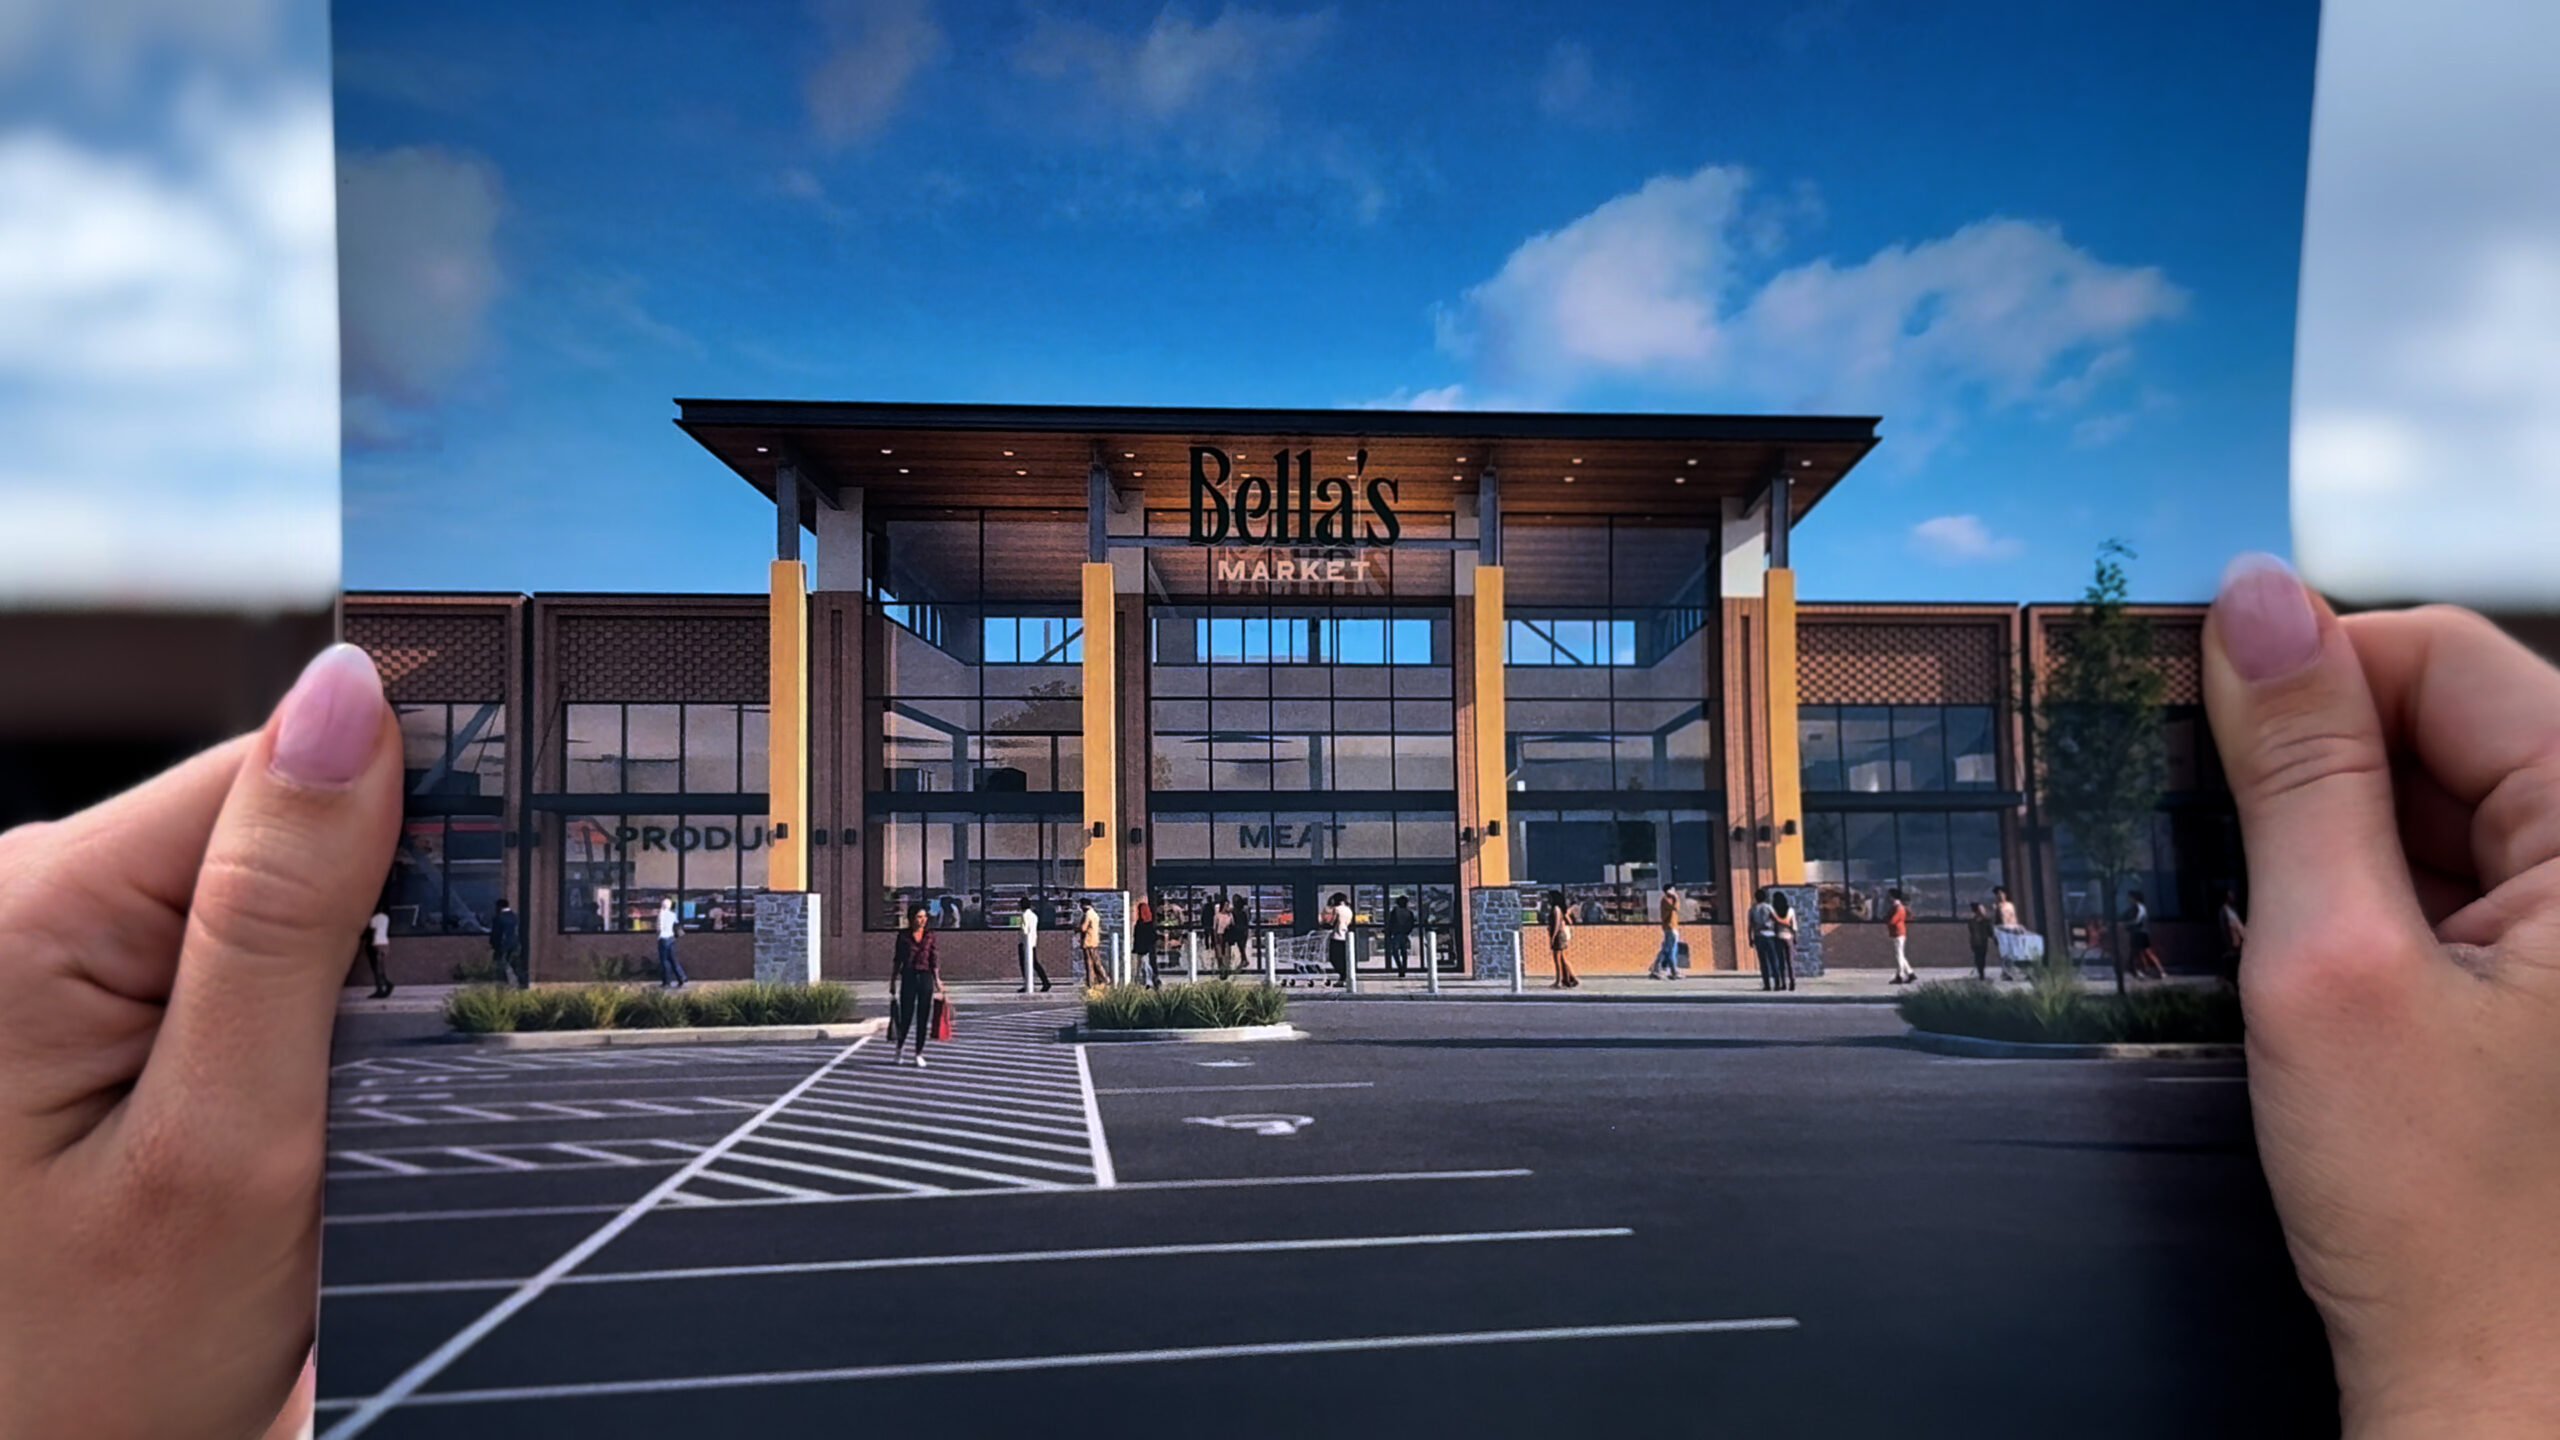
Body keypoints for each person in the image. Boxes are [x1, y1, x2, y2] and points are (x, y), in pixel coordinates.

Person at [889, 904, 940, 1068]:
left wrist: (938, 980)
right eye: (919, 917)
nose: (922, 920)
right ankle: (900, 1048)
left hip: (925, 977)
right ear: (912, 918)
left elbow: (933, 958)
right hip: (909, 976)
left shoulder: (930, 935)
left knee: (923, 1017)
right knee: (906, 1015)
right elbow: (898, 959)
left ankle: (919, 1052)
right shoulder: (903, 936)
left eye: (924, 917)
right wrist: (892, 981)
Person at [2124, 889, 2166, 980]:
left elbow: (2138, 920)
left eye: (2130, 897)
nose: (2128, 899)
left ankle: (2160, 971)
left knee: (2146, 952)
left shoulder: (2140, 907)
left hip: (2141, 932)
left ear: (2134, 898)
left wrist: (2128, 924)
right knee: (2138, 953)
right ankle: (2144, 970)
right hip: (2135, 933)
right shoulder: (2132, 908)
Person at [1544, 889, 1580, 989]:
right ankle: (1571, 978)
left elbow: (1556, 924)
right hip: (1560, 934)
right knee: (1563, 958)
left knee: (1557, 959)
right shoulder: (1558, 909)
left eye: (1550, 897)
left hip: (1558, 935)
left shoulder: (1556, 909)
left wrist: (1553, 936)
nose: (1548, 900)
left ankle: (1559, 981)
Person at [1748, 887, 1781, 991]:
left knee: (1763, 962)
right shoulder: (1768, 907)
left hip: (1758, 936)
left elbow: (1750, 925)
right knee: (1773, 960)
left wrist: (1750, 938)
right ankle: (1777, 984)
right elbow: (1776, 919)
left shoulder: (1753, 909)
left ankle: (1766, 984)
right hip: (1770, 935)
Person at [1018, 896, 1052, 992]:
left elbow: (1024, 930)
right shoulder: (1034, 916)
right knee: (1035, 963)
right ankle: (1045, 981)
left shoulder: (1024, 915)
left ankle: (1028, 983)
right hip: (1033, 941)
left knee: (1024, 964)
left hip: (1024, 942)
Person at [490, 896, 525, 988]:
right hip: (515, 944)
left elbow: (496, 934)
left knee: (500, 966)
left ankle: (503, 986)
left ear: (499, 907)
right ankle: (523, 983)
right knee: (516, 965)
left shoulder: (498, 918)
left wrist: (494, 945)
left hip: (503, 945)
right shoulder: (514, 917)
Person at [1649, 886, 1682, 979]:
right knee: (1671, 949)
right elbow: (1676, 908)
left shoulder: (1669, 900)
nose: (1674, 891)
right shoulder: (1666, 900)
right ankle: (1672, 970)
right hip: (1670, 927)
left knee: (1668, 948)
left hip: (1673, 926)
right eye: (1672, 889)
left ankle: (1658, 968)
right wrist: (1676, 897)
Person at [1768, 889, 1798, 991]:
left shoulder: (1773, 912)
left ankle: (1783, 983)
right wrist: (1795, 937)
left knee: (1781, 962)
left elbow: (1773, 926)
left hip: (1778, 937)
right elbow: (1793, 925)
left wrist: (1777, 921)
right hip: (1789, 936)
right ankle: (1792, 981)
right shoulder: (1790, 910)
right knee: (1790, 961)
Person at [2217, 886, 2247, 987]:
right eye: (2230, 894)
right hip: (2233, 944)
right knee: (2233, 968)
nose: (2233, 896)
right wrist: (2229, 944)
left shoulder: (2232, 910)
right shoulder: (2224, 911)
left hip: (2239, 943)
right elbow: (2226, 929)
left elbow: (2238, 925)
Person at [654, 897, 687, 987]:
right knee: (673, 959)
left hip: (663, 938)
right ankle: (681, 977)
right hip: (671, 938)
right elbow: (676, 924)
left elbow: (659, 928)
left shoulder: (661, 914)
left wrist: (658, 932)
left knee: (664, 960)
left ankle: (666, 981)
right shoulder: (672, 914)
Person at [1886, 887, 1915, 984]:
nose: (1888, 898)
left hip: (1898, 933)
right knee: (1901, 954)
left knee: (1899, 955)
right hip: (1897, 932)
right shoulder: (1896, 907)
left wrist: (1887, 920)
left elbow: (1893, 920)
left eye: (1889, 896)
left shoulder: (1899, 908)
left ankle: (1900, 975)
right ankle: (1910, 973)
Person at [362, 905, 392, 998]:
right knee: (382, 966)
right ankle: (386, 984)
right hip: (385, 943)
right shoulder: (386, 917)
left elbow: (369, 929)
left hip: (376, 943)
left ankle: (382, 987)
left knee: (376, 967)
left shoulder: (374, 918)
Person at [1326, 891, 1354, 987]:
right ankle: (1344, 978)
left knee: (1333, 958)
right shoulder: (1349, 910)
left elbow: (1332, 922)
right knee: (1343, 958)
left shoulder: (1336, 909)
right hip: (1345, 936)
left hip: (1336, 936)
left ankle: (1342, 975)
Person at [1385, 893, 1417, 978]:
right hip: (1404, 934)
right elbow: (1411, 923)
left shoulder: (1394, 911)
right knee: (1404, 952)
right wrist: (1407, 932)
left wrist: (1388, 932)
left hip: (1396, 934)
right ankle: (1403, 968)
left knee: (1395, 952)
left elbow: (1390, 923)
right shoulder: (1409, 912)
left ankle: (1400, 968)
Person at [1077, 897, 1105, 987]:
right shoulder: (1094, 914)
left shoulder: (1087, 915)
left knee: (1090, 963)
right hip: (1094, 940)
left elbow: (1083, 928)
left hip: (1088, 941)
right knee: (1096, 962)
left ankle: (1093, 982)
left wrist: (1076, 927)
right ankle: (1100, 980)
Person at [1133, 899, 1161, 988]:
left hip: (1142, 948)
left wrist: (1136, 948)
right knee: (1146, 964)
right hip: (1149, 948)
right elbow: (1153, 937)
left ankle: (1148, 981)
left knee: (1144, 965)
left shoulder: (1139, 924)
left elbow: (1136, 937)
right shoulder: (1150, 923)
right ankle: (1150, 979)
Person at [1966, 900, 1994, 981]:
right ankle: (1980, 972)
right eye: (1982, 909)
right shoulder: (1972, 921)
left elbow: (1990, 932)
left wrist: (1994, 937)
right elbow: (1971, 931)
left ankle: (1981, 971)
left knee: (1982, 957)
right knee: (1978, 957)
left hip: (1983, 942)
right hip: (1975, 942)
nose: (1984, 911)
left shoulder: (1986, 921)